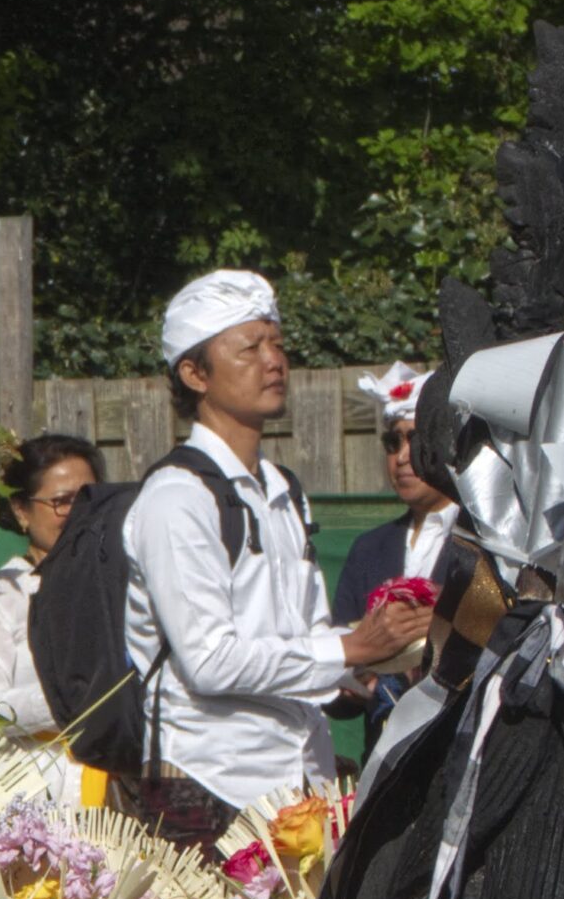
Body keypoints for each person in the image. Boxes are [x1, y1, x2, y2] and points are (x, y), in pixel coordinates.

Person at [118, 271, 431, 839]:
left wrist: (378, 660)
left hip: (300, 783)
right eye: (249, 348)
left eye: (278, 344)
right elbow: (209, 661)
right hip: (208, 789)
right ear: (194, 374)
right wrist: (351, 645)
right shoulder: (176, 497)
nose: (274, 361)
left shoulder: (282, 488)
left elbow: (302, 634)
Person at [333, 362, 460, 755]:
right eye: (393, 443)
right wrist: (352, 683)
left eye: (415, 440)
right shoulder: (369, 550)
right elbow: (336, 686)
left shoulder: (483, 546)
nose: (403, 457)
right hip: (384, 762)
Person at [0, 433, 102, 736]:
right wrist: (66, 702)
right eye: (61, 502)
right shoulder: (2, 594)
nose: (79, 513)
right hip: (44, 776)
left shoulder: (123, 577)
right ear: (21, 510)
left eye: (90, 497)